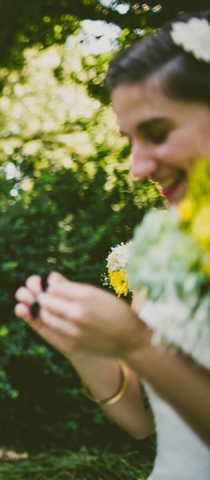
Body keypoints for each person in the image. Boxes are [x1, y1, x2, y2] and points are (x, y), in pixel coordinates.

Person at [15, 12, 210, 479]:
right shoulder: (167, 249)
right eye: (129, 141)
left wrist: (135, 341)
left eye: (157, 134)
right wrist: (85, 348)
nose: (137, 167)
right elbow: (141, 423)